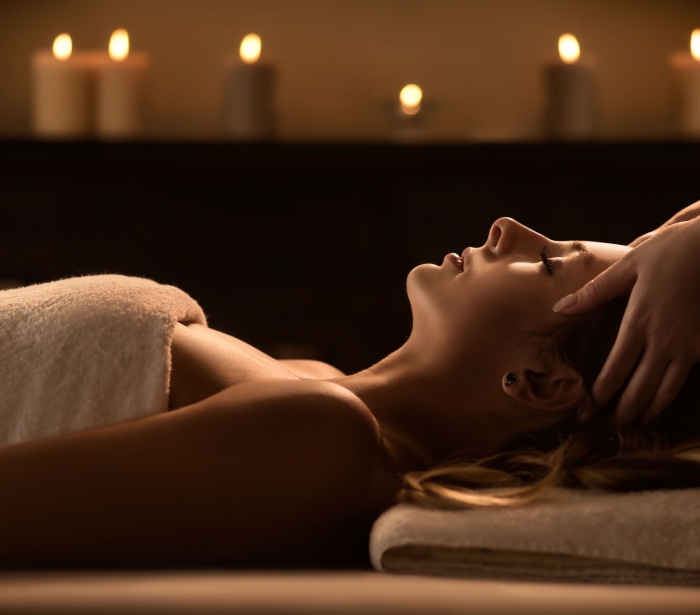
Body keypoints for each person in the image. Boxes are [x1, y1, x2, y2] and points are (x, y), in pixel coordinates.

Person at [0, 214, 699, 569]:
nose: (508, 227)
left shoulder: (322, 438)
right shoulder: (315, 382)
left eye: (547, 263)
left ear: (542, 382)